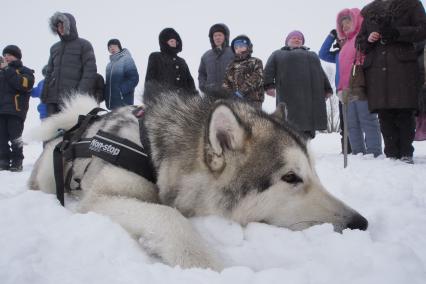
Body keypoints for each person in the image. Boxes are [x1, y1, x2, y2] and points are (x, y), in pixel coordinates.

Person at [356, 0, 426, 163]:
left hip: (403, 67)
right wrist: (369, 39)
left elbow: (423, 29)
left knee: (404, 111)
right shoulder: (370, 10)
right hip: (376, 70)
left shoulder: (411, 4)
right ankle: (391, 155)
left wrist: (397, 32)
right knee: (384, 113)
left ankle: (405, 153)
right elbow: (359, 41)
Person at [264, 30, 332, 139]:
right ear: (287, 41)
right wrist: (268, 86)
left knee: (308, 124)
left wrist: (327, 89)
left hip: (310, 95)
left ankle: (304, 146)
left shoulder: (312, 55)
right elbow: (268, 70)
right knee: (289, 122)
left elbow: (320, 72)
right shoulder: (278, 54)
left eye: (299, 39)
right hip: (288, 93)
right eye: (293, 38)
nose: (296, 39)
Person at [336, 8, 382, 157]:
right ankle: (358, 152)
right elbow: (341, 71)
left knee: (367, 118)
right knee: (351, 123)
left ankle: (374, 151)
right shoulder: (344, 46)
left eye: (348, 22)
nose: (345, 26)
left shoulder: (360, 38)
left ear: (356, 21)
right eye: (342, 25)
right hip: (346, 89)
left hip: (361, 85)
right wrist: (340, 88)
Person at [42, 11, 97, 117]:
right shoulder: (54, 48)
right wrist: (45, 93)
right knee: (51, 131)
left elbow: (90, 71)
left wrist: (80, 94)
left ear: (70, 25)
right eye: (58, 26)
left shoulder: (84, 45)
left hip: (71, 98)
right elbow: (49, 72)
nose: (60, 28)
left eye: (63, 25)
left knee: (71, 130)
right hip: (52, 99)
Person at [0, 45, 35, 171]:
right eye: (4, 55)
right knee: (1, 138)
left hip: (16, 110)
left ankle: (17, 161)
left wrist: (7, 69)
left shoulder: (25, 71)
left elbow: (24, 85)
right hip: (1, 110)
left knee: (15, 138)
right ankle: (3, 161)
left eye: (9, 54)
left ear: (16, 56)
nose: (6, 57)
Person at [319, 29, 352, 154]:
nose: (342, 41)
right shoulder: (337, 54)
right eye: (339, 39)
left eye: (345, 39)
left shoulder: (355, 51)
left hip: (356, 90)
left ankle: (360, 147)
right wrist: (331, 36)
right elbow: (322, 54)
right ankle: (347, 149)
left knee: (357, 121)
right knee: (345, 123)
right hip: (341, 92)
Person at [144, 28, 197, 103]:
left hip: (182, 103)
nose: (174, 43)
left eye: (175, 41)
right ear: (164, 43)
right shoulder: (155, 57)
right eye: (171, 41)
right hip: (162, 102)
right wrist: (149, 100)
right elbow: (149, 80)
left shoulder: (182, 61)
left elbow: (190, 82)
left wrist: (194, 98)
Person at [222, 35, 264, 109]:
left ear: (248, 47)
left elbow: (258, 78)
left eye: (241, 46)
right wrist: (227, 96)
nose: (238, 49)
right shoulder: (230, 65)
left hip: (253, 101)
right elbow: (226, 82)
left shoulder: (255, 61)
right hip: (235, 102)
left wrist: (241, 92)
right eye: (236, 47)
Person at [198, 23, 234, 94]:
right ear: (212, 38)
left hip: (231, 97)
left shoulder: (233, 52)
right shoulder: (206, 56)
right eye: (215, 35)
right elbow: (201, 74)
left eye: (220, 35)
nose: (217, 37)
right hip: (210, 97)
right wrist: (203, 86)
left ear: (225, 37)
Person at [104, 39, 139, 109]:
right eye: (110, 47)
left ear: (119, 47)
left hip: (124, 102)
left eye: (114, 46)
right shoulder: (109, 65)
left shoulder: (126, 59)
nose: (112, 48)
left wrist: (121, 91)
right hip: (111, 104)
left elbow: (134, 78)